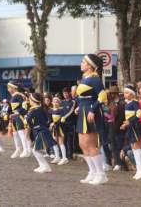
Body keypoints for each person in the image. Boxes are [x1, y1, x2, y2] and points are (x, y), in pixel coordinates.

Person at [75, 54, 108, 185]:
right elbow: (83, 96)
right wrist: (79, 106)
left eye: (83, 61)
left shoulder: (95, 79)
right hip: (83, 111)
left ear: (90, 65)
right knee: (82, 145)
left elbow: (102, 96)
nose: (81, 63)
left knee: (91, 145)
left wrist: (92, 109)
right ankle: (92, 171)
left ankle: (101, 174)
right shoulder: (85, 78)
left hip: (90, 112)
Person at [25, 93, 58, 173]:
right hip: (39, 130)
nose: (29, 101)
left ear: (34, 100)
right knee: (35, 149)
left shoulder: (35, 110)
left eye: (30, 99)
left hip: (41, 131)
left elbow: (27, 121)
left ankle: (46, 166)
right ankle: (42, 165)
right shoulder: (39, 108)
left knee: (35, 150)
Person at [120, 84, 141, 180]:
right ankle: (140, 169)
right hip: (130, 127)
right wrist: (125, 124)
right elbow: (129, 117)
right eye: (124, 92)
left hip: (135, 127)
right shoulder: (128, 103)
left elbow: (139, 114)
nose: (125, 94)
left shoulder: (135, 102)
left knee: (136, 148)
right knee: (133, 148)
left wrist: (130, 121)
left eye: (127, 92)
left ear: (132, 94)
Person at [7, 80, 31, 158]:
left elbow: (25, 106)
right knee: (15, 134)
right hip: (14, 117)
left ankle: (26, 150)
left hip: (20, 117)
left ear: (14, 88)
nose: (8, 89)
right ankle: (18, 149)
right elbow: (11, 108)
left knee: (22, 133)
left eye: (9, 87)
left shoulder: (19, 95)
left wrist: (18, 112)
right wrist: (9, 114)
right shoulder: (14, 96)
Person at [50, 96, 69, 165]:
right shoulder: (51, 110)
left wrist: (54, 123)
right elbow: (49, 119)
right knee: (54, 142)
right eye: (54, 101)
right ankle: (57, 156)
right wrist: (50, 124)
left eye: (57, 101)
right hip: (54, 128)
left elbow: (62, 119)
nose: (55, 102)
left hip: (60, 127)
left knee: (61, 142)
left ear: (59, 103)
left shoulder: (62, 110)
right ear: (52, 102)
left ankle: (64, 158)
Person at [61, 87, 76, 160]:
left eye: (66, 93)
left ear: (69, 93)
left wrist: (64, 117)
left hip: (70, 123)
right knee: (64, 139)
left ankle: (70, 154)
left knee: (70, 140)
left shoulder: (72, 102)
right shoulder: (62, 102)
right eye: (64, 93)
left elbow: (71, 111)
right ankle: (65, 154)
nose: (65, 95)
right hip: (63, 124)